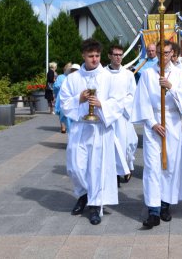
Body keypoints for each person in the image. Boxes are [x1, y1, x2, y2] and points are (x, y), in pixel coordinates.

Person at [131, 40, 182, 229]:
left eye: (167, 53)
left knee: (169, 166)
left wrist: (171, 87)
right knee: (152, 167)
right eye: (159, 53)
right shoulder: (147, 75)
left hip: (174, 125)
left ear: (173, 53)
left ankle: (165, 204)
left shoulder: (181, 74)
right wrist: (152, 123)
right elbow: (141, 101)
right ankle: (153, 210)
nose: (163, 57)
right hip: (154, 124)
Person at [59, 39, 122, 225]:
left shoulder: (108, 77)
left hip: (100, 129)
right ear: (83, 56)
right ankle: (84, 194)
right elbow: (64, 102)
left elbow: (118, 101)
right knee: (75, 166)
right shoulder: (73, 78)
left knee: (96, 167)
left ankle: (95, 205)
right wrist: (79, 99)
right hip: (80, 127)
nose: (94, 59)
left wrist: (102, 105)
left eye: (97, 56)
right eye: (90, 56)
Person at [106, 44, 138, 184]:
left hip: (124, 116)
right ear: (109, 56)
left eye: (120, 55)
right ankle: (114, 174)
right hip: (108, 116)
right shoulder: (103, 74)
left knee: (127, 143)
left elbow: (133, 94)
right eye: (115, 55)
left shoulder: (128, 74)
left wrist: (121, 106)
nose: (118, 57)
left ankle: (125, 168)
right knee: (111, 146)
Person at [54, 62, 75, 133]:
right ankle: (63, 127)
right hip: (61, 96)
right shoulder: (60, 77)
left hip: (70, 97)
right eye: (68, 69)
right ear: (65, 69)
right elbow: (56, 86)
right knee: (61, 111)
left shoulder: (73, 77)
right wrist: (62, 86)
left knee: (68, 112)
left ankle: (68, 126)